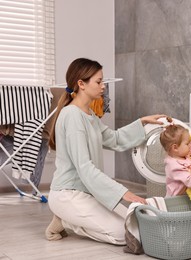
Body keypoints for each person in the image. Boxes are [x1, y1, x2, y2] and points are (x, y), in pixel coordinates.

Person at [45, 57, 166, 245]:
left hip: (87, 192)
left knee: (134, 224)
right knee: (123, 234)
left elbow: (114, 139)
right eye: (99, 81)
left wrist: (142, 122)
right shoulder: (72, 117)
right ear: (81, 84)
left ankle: (66, 218)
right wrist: (125, 193)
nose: (103, 87)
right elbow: (85, 167)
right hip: (67, 194)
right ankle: (66, 220)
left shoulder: (89, 115)